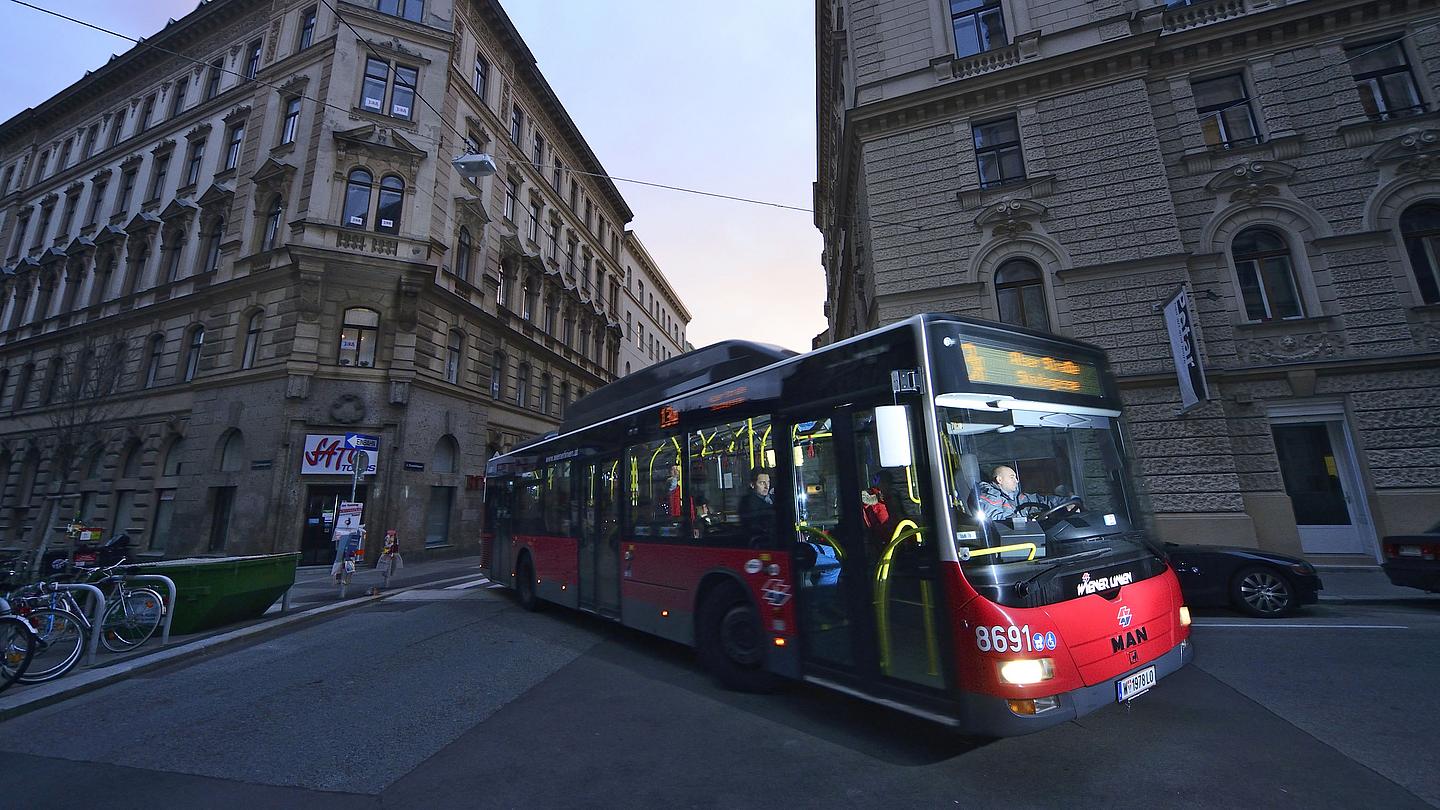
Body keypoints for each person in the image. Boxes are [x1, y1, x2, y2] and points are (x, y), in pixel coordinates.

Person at [974, 465, 1076, 522]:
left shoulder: (1017, 497)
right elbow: (997, 519)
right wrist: (1026, 520)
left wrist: (1068, 501)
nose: (1017, 481)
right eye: (1012, 477)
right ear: (999, 479)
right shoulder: (990, 496)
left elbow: (1041, 500)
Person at [737, 468, 775, 543]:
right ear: (752, 485)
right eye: (762, 483)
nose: (767, 486)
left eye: (768, 482)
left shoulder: (773, 498)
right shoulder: (747, 502)